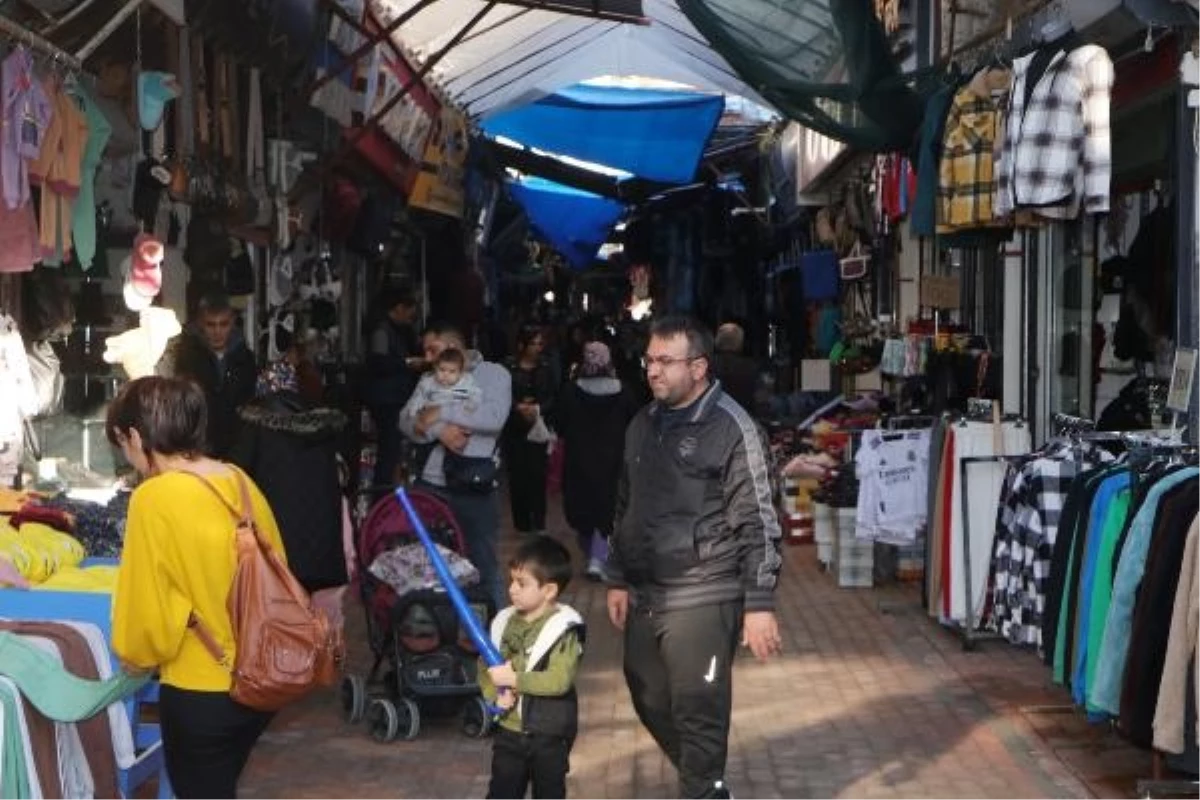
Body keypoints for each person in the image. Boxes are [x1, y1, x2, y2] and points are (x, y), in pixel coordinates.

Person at [606, 315, 783, 800]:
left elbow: (759, 519)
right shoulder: (643, 422)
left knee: (697, 709)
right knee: (647, 694)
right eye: (649, 360)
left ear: (699, 367)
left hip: (706, 588)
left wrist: (760, 602)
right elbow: (627, 501)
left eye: (666, 361)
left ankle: (703, 787)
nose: (653, 371)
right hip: (647, 589)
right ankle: (707, 784)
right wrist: (617, 574)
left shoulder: (732, 428)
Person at [107, 377, 287, 799]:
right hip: (262, 677)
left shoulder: (153, 498)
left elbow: (146, 613)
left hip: (200, 686)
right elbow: (278, 567)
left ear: (136, 435)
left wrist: (134, 658)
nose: (130, 458)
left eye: (124, 446)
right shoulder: (238, 480)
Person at [399, 321, 512, 609]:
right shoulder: (430, 379)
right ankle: (443, 640)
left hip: (474, 482)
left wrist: (440, 412)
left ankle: (495, 642)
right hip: (431, 483)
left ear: (452, 348)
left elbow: (492, 417)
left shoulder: (493, 375)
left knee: (483, 565)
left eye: (432, 350)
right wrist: (440, 431)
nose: (427, 358)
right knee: (432, 568)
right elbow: (407, 421)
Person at [479, 536, 585, 800]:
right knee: (501, 793)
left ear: (549, 590)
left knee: (549, 794)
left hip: (549, 736)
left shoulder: (563, 629)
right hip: (509, 733)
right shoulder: (503, 622)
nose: (512, 589)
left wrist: (515, 680)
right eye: (511, 580)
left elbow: (559, 680)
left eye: (522, 583)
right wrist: (494, 695)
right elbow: (485, 666)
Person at [552, 341, 640, 580]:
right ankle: (598, 558)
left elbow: (558, 424)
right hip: (614, 461)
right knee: (608, 510)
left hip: (579, 461)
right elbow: (636, 424)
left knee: (582, 510)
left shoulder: (570, 391)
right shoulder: (625, 391)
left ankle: (594, 556)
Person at [170, 292, 257, 457]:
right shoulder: (188, 357)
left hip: (237, 447)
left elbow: (249, 406)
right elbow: (180, 402)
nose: (217, 331)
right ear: (201, 324)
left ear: (232, 323)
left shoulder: (246, 358)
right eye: (211, 324)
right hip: (197, 445)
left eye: (223, 324)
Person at [363, 287, 422, 487]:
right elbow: (379, 363)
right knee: (388, 450)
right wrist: (406, 363)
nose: (410, 318)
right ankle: (382, 493)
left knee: (392, 450)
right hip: (386, 400)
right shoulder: (381, 331)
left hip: (394, 397)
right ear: (399, 308)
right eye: (409, 312)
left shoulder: (399, 331)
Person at [503, 325, 557, 535]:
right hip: (514, 428)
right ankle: (522, 523)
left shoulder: (546, 367)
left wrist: (538, 408)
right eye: (533, 343)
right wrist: (517, 407)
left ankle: (539, 522)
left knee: (537, 475)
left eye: (540, 343)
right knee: (518, 476)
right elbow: (501, 395)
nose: (537, 348)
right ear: (522, 345)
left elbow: (554, 396)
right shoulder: (509, 368)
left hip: (538, 427)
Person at [712, 322, 758, 415]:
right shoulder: (749, 366)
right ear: (740, 342)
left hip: (712, 417)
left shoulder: (707, 364)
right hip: (742, 416)